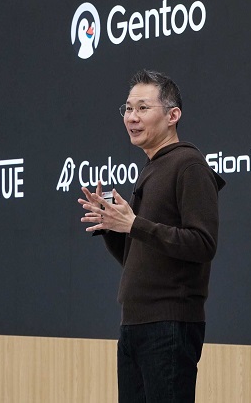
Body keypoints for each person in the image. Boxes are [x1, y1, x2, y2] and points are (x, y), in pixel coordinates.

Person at [78, 69, 225, 402]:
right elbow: (139, 256)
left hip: (170, 325)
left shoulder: (189, 165)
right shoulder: (152, 167)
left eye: (143, 108)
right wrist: (111, 227)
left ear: (173, 116)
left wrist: (134, 224)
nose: (132, 117)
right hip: (135, 325)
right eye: (128, 108)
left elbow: (203, 243)